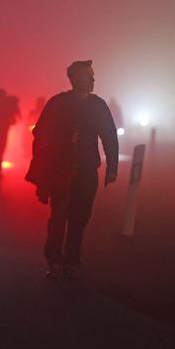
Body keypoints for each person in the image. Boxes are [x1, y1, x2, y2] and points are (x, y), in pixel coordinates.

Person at [25, 60, 118, 279]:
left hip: (87, 170)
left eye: (93, 75)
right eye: (89, 75)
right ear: (75, 78)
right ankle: (54, 259)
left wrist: (112, 166)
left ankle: (71, 260)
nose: (93, 80)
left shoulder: (98, 105)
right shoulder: (58, 103)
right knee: (59, 216)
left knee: (80, 218)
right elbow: (40, 135)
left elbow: (109, 136)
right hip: (61, 169)